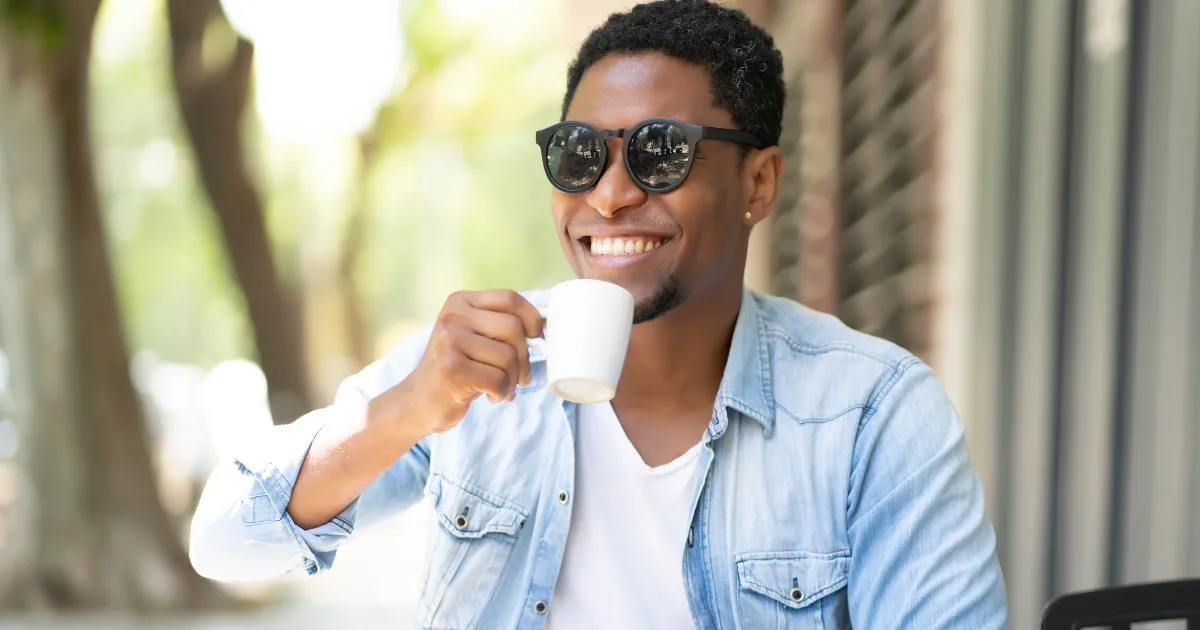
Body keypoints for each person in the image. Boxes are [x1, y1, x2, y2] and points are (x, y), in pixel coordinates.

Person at [189, 1, 1009, 628]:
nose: (610, 196)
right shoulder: (472, 370)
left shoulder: (873, 415)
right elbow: (225, 542)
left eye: (662, 153)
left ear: (758, 183)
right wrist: (405, 410)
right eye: (580, 155)